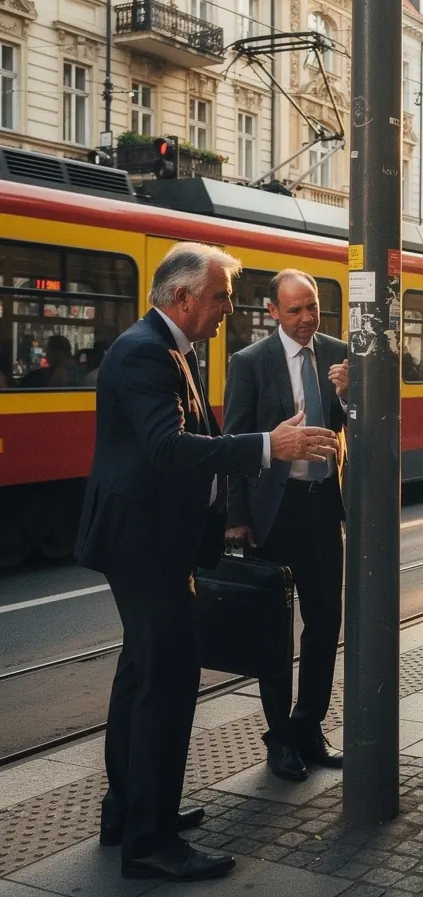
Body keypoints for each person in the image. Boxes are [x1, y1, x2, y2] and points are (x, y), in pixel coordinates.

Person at [74, 242, 339, 882]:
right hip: (146, 543)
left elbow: (184, 441)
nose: (228, 308)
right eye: (221, 296)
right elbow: (170, 448)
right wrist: (267, 447)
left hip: (152, 539)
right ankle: (151, 842)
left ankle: (128, 809)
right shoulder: (146, 352)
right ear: (184, 297)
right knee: (167, 683)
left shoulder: (169, 347)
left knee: (140, 676)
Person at [223, 270, 348, 782]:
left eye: (312, 308)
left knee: (325, 623)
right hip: (273, 511)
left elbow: (354, 424)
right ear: (273, 311)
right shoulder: (250, 362)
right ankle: (279, 740)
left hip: (322, 504)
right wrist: (235, 519)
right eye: (294, 311)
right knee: (272, 632)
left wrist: (353, 394)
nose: (306, 320)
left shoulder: (341, 353)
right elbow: (235, 441)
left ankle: (308, 726)